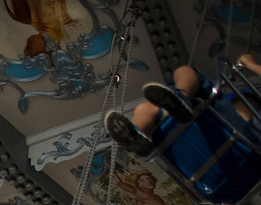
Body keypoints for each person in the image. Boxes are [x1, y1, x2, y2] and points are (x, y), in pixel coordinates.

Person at [106, 55, 261, 155]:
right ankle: (137, 136)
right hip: (226, 145)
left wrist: (249, 62)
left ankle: (180, 97)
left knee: (186, 72)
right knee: (145, 108)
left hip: (238, 137)